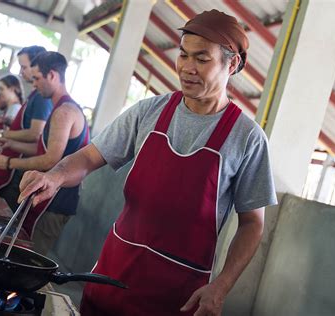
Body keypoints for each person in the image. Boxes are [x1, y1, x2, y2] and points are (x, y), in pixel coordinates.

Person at [18, 10, 277, 316]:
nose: (187, 68)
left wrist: (221, 286)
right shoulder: (148, 112)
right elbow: (89, 157)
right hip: (113, 272)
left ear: (231, 64)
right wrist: (55, 176)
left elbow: (252, 224)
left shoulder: (247, 138)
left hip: (178, 292)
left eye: (202, 59)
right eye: (183, 55)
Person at [0, 52, 89, 255]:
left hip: (54, 202)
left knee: (29, 260)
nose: (33, 85)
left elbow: (51, 159)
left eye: (36, 79)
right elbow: (42, 149)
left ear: (52, 75)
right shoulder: (58, 108)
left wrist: (8, 162)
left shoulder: (64, 112)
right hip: (46, 200)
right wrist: (10, 142)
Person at [0, 46, 53, 209]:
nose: (21, 72)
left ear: (38, 65)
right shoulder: (34, 96)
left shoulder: (42, 99)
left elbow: (36, 134)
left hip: (22, 171)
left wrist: (1, 134)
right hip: (17, 170)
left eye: (24, 67)